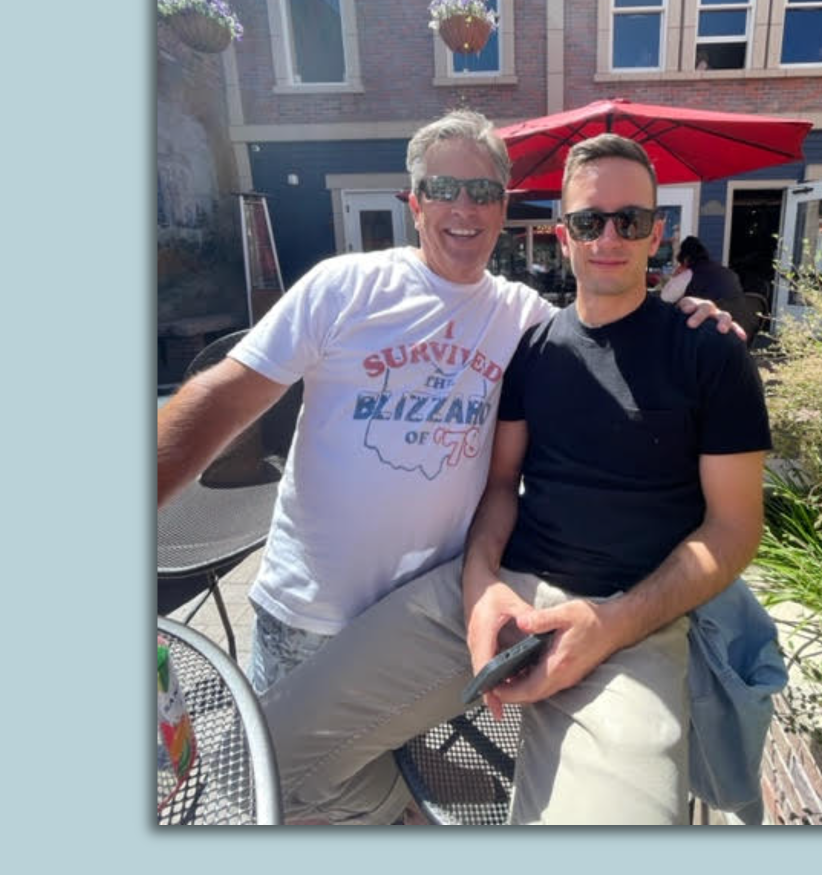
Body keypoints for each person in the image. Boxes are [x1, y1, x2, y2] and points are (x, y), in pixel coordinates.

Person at [260, 132, 772, 824]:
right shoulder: (532, 344)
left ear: (657, 234)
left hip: (634, 619)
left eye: (633, 220)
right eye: (591, 221)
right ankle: (406, 811)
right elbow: (502, 485)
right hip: (502, 592)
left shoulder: (710, 353)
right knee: (272, 756)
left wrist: (613, 622)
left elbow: (735, 528)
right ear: (564, 235)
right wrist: (479, 586)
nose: (610, 236)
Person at [155, 109, 740, 693]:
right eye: (442, 189)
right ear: (415, 204)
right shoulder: (343, 287)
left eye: (483, 191)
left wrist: (691, 317)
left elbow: (604, 332)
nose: (464, 208)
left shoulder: (525, 318)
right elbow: (222, 399)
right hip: (313, 610)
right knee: (286, 773)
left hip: (428, 612)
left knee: (399, 760)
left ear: (503, 207)